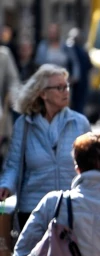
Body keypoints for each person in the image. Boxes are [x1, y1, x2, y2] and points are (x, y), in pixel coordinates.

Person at [0, 65, 91, 229]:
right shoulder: (24, 125)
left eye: (67, 86)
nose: (66, 91)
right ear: (42, 94)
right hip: (33, 211)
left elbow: (91, 167)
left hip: (71, 210)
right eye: (59, 87)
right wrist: (5, 186)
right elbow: (13, 163)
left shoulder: (80, 123)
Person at [65, 28, 92, 115]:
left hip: (79, 81)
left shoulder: (82, 51)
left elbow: (88, 66)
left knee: (77, 104)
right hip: (74, 81)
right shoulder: (71, 50)